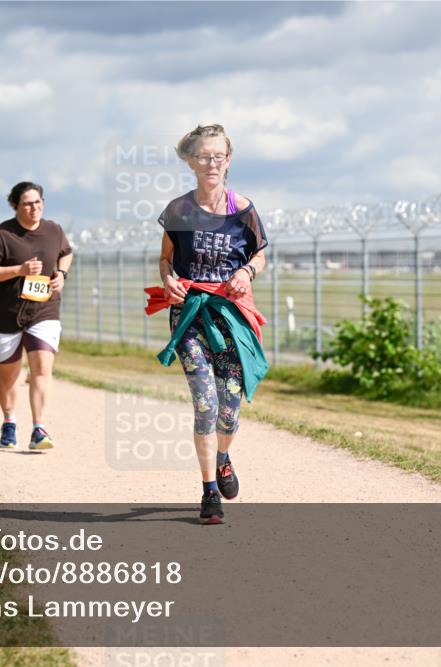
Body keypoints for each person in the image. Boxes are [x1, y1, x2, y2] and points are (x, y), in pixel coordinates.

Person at [144, 124, 269, 524]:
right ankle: (209, 491)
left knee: (228, 409)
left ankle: (223, 457)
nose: (211, 163)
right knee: (205, 402)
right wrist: (168, 279)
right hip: (190, 314)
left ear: (228, 160)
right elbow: (166, 258)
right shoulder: (178, 211)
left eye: (218, 156)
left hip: (230, 316)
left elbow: (261, 254)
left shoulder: (244, 210)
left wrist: (246, 272)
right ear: (190, 162)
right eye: (203, 156)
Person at [0, 182, 73, 450]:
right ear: (15, 206)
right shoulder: (0, 235)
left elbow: (66, 253)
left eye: (38, 202)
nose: (35, 208)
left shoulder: (53, 230)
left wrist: (62, 274)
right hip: (5, 314)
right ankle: (9, 421)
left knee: (42, 368)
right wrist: (19, 270)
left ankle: (38, 429)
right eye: (28, 204)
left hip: (44, 310)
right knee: (8, 376)